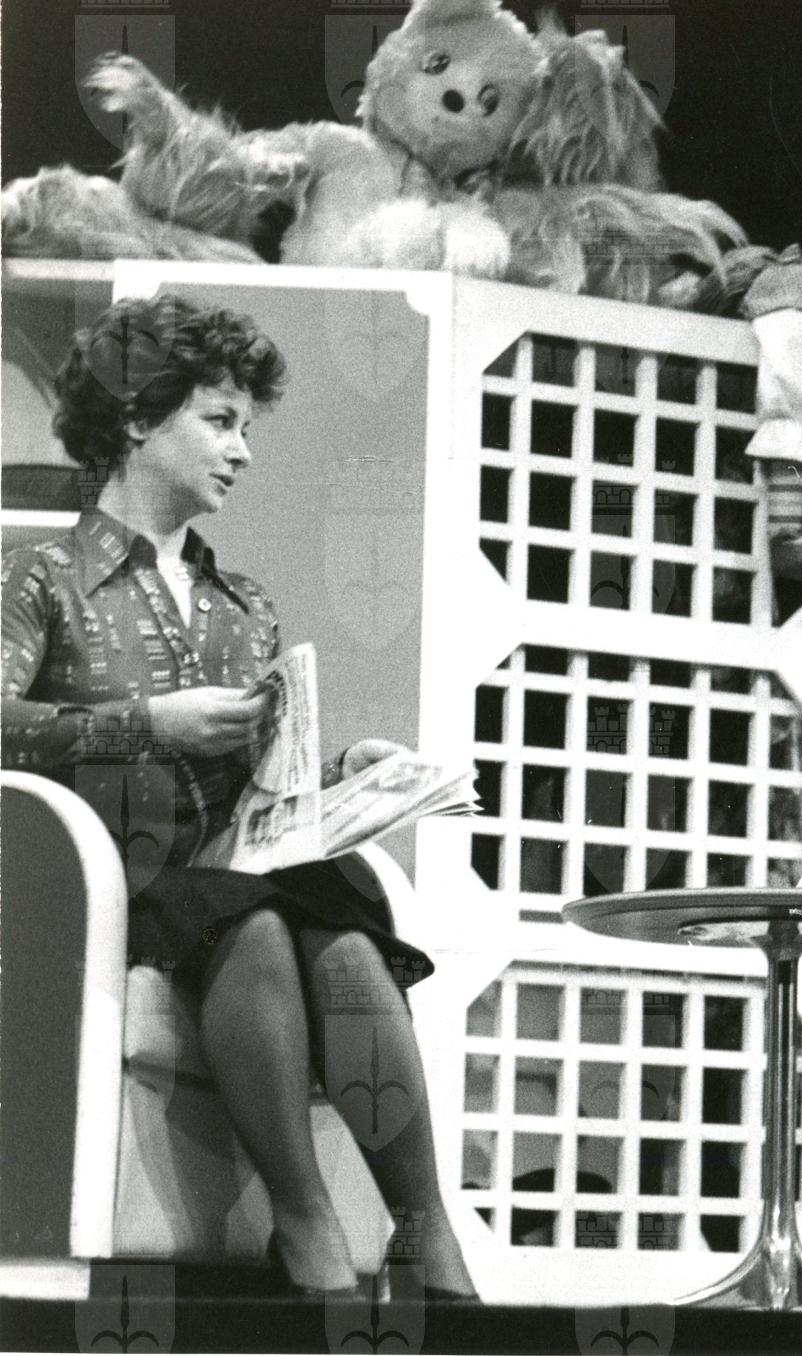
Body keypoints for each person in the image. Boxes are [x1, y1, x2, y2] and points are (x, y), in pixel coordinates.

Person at [0, 294, 477, 1302]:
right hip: (92, 893)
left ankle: (426, 1232)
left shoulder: (243, 604)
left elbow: (262, 774)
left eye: (245, 427)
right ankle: (305, 1225)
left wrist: (350, 773)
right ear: (139, 417)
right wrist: (145, 724)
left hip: (227, 871)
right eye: (219, 421)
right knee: (250, 922)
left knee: (344, 933)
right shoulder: (40, 576)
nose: (243, 451)